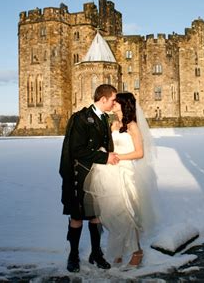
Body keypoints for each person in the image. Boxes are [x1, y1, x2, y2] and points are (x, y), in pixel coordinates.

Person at [84, 92, 158, 268]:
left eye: (116, 102)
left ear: (124, 105)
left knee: (126, 212)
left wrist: (118, 157)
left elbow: (139, 153)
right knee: (111, 213)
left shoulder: (132, 126)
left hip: (125, 170)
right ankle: (118, 251)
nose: (113, 104)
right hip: (109, 171)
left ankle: (137, 251)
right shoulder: (113, 124)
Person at [59, 84, 120, 273]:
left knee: (96, 216)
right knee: (76, 217)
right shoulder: (81, 118)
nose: (114, 103)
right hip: (81, 175)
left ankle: (96, 253)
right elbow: (76, 150)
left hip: (98, 176)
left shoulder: (104, 119)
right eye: (112, 100)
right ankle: (74, 255)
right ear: (103, 99)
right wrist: (105, 157)